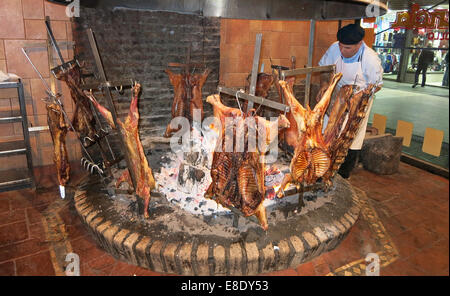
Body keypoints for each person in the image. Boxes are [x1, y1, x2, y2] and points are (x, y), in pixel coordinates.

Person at [318, 23, 383, 179]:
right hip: (339, 91)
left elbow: (377, 86)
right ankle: (322, 167)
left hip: (360, 96)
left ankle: (343, 174)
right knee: (328, 129)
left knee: (351, 135)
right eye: (341, 46)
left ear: (359, 44)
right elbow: (324, 69)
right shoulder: (334, 48)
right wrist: (325, 85)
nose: (342, 51)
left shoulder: (370, 58)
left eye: (347, 48)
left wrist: (359, 98)